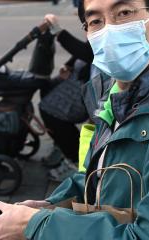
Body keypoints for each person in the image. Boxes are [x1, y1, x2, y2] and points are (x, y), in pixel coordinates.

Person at [0, 0, 149, 239]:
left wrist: (37, 227)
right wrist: (50, 207)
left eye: (123, 13)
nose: (109, 31)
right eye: (95, 21)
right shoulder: (112, 94)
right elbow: (102, 176)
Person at [38, 14, 94, 182]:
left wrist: (59, 31)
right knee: (46, 89)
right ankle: (62, 144)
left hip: (92, 87)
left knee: (50, 110)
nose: (87, 27)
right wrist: (69, 64)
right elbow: (88, 48)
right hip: (80, 76)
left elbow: (90, 52)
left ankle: (75, 161)